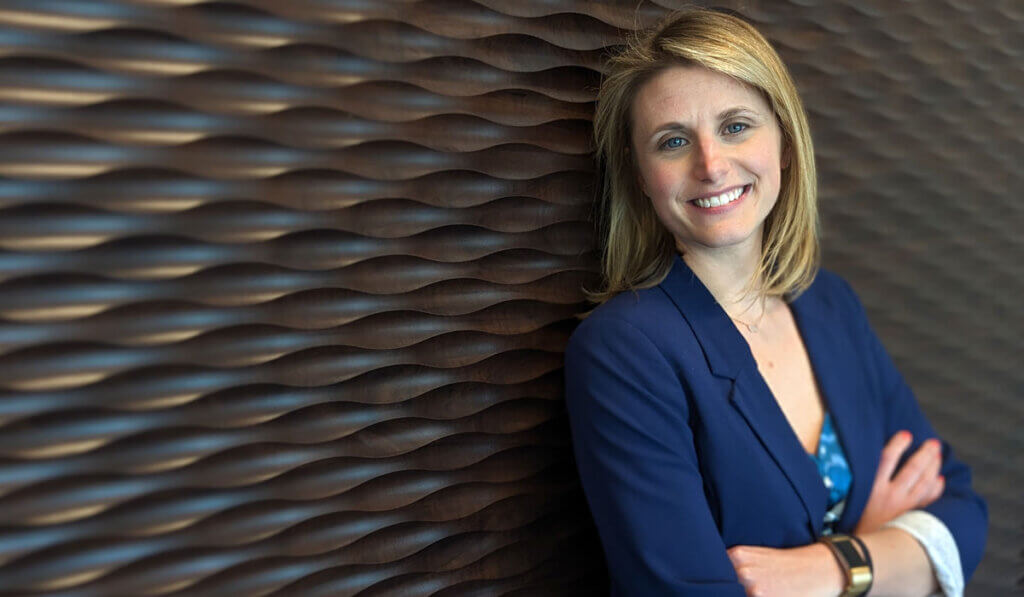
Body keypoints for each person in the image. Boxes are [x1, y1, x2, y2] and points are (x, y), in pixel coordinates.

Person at [563, 8, 987, 597]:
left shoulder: (830, 304)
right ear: (640, 175)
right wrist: (884, 550)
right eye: (674, 141)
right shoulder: (625, 350)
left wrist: (832, 567)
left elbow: (961, 511)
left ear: (784, 143)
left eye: (736, 126)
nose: (711, 166)